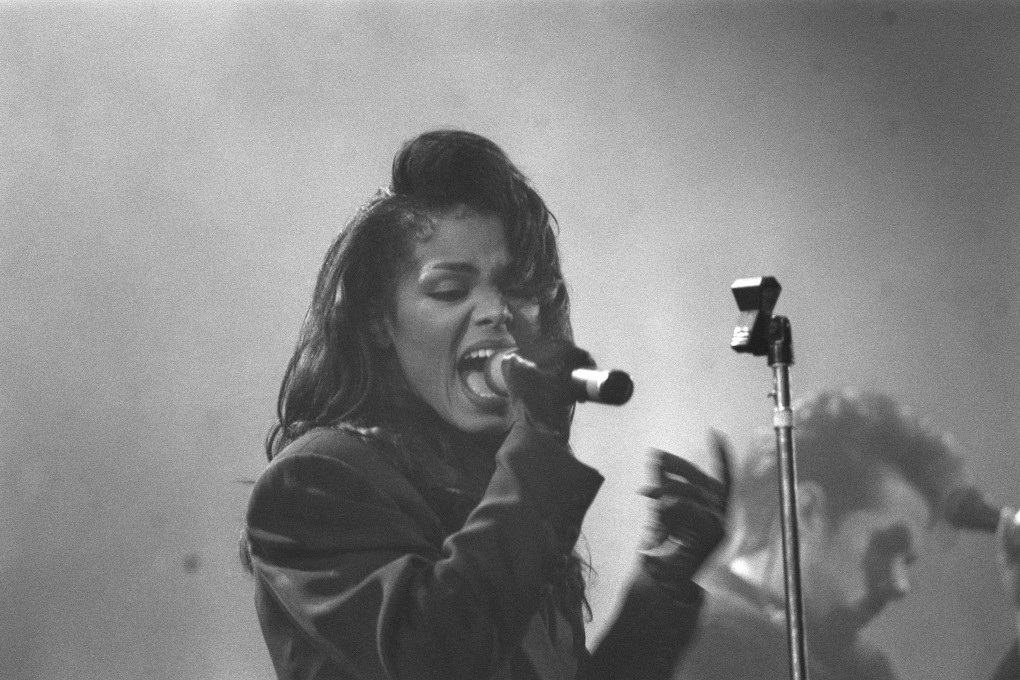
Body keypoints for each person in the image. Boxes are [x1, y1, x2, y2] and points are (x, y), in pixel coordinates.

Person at [240, 129, 729, 680]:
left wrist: (659, 585)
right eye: (450, 291)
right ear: (380, 322)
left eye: (519, 288)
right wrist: (538, 449)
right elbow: (436, 661)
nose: (497, 313)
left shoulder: (503, 491)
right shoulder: (317, 480)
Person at [671, 388, 1020, 680]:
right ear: (806, 510)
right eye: (885, 548)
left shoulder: (860, 664)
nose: (901, 585)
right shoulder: (704, 636)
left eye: (907, 562)